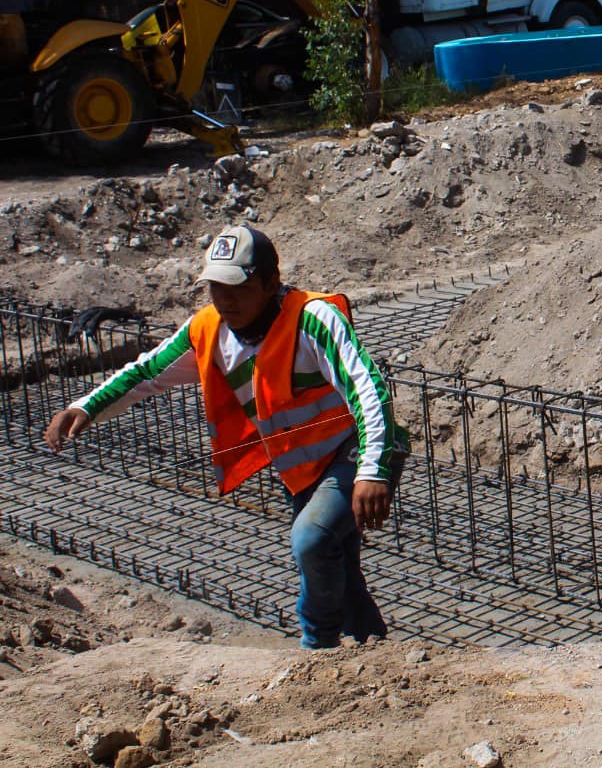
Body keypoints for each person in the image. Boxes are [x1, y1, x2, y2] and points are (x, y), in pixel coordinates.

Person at [43, 225, 406, 649]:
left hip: (353, 451)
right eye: (215, 287)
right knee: (332, 559)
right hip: (301, 467)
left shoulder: (313, 320)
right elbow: (148, 372)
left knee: (311, 540)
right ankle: (370, 644)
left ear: (271, 282)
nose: (225, 299)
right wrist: (86, 406)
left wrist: (373, 470)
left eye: (238, 287)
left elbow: (368, 389)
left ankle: (319, 649)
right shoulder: (210, 329)